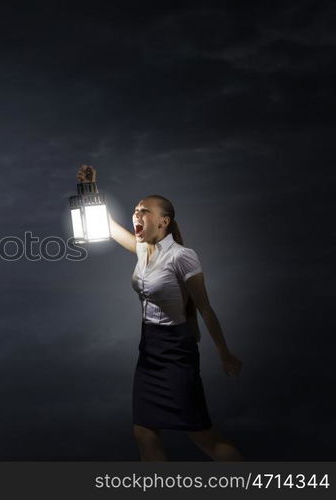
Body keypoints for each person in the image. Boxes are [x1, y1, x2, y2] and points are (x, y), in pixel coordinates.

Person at [76, 164, 244, 461]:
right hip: (149, 350)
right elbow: (108, 224)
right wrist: (91, 189)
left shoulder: (183, 257)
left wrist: (224, 353)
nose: (137, 215)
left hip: (176, 350)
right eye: (136, 210)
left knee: (204, 437)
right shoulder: (143, 249)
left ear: (163, 221)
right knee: (144, 434)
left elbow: (205, 308)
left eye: (144, 211)